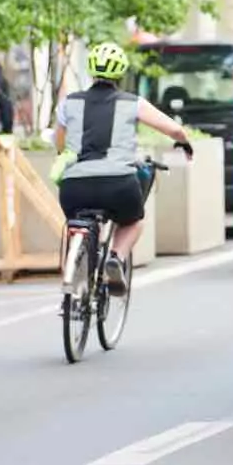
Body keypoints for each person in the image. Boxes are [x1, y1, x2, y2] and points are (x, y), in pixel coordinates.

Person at [54, 42, 193, 296]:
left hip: (75, 186)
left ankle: (76, 258)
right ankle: (116, 258)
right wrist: (184, 143)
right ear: (120, 73)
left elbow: (60, 144)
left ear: (91, 70)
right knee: (133, 220)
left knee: (76, 218)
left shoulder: (68, 103)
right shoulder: (132, 102)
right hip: (118, 183)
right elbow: (174, 129)